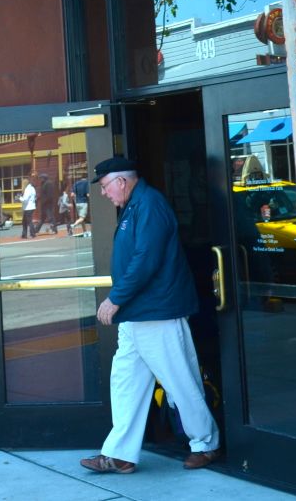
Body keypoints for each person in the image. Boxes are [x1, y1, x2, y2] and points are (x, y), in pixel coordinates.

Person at [79, 156, 220, 476]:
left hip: (157, 311)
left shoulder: (149, 205)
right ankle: (120, 454)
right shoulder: (135, 205)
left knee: (179, 381)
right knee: (126, 382)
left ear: (122, 181)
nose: (103, 193)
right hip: (138, 314)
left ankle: (206, 443)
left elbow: (147, 259)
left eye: (104, 186)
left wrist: (116, 299)